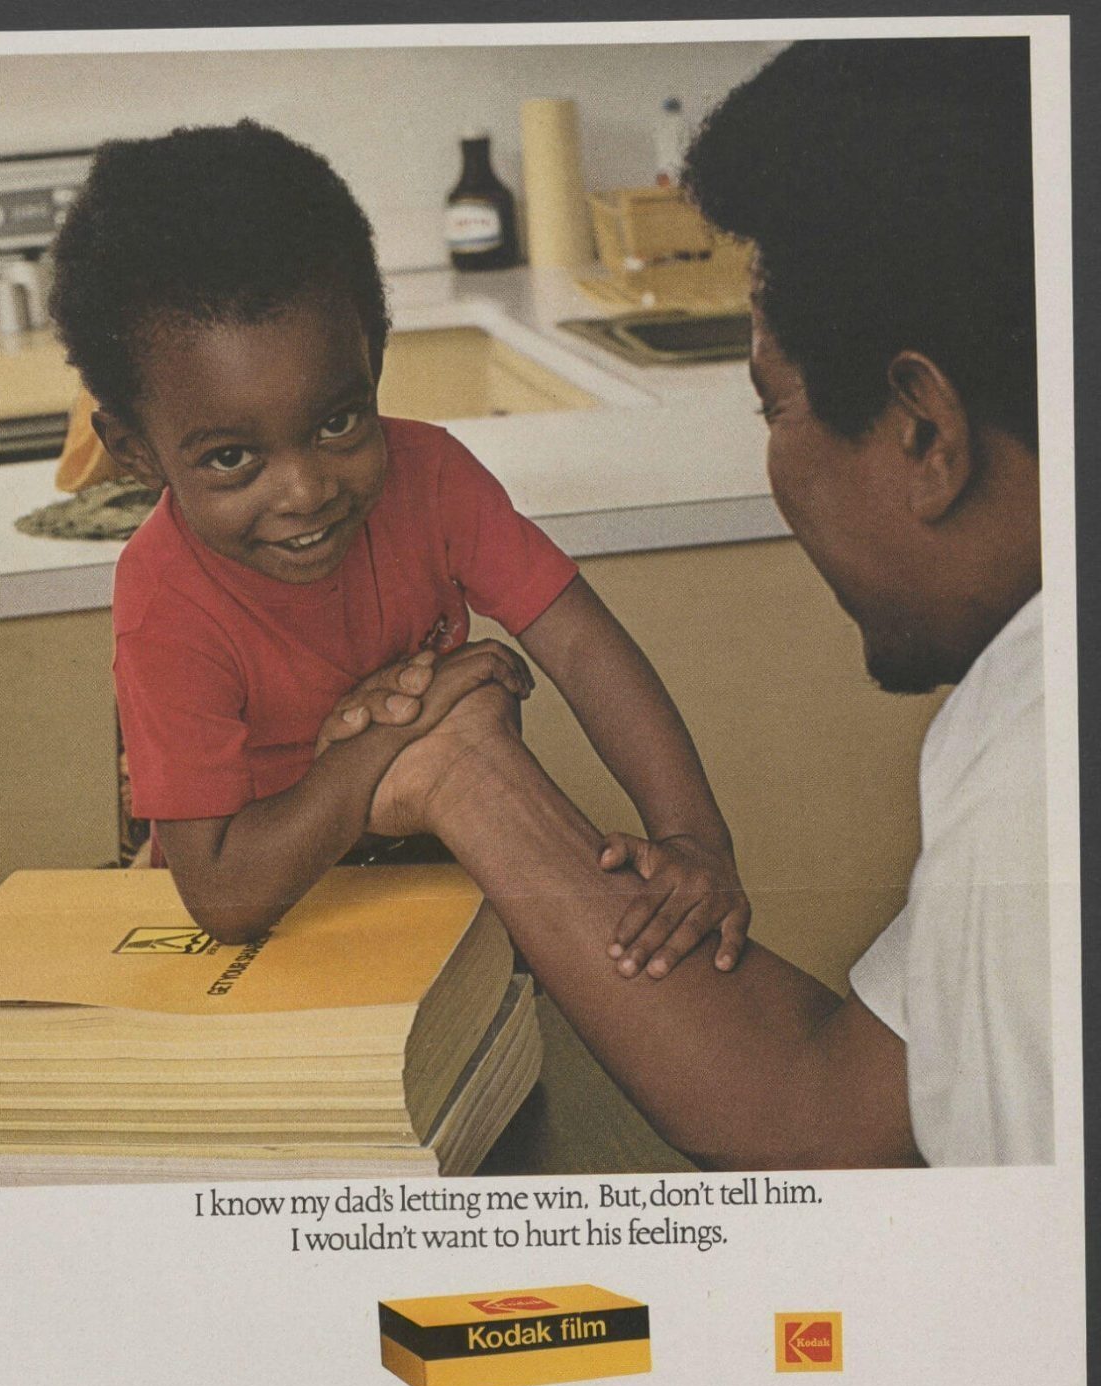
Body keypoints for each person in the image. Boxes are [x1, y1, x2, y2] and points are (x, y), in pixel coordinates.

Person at [358, 35, 1051, 1170]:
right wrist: (464, 773)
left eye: (772, 406)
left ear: (926, 432)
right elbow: (824, 1116)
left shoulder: (1036, 777)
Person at [48, 120, 749, 973]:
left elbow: (580, 641)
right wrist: (391, 738)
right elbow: (225, 895)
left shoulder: (432, 475)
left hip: (434, 878)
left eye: (338, 421)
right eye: (232, 458)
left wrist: (694, 837)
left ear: (374, 358)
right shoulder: (162, 597)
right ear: (137, 453)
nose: (305, 490)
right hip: (268, 938)